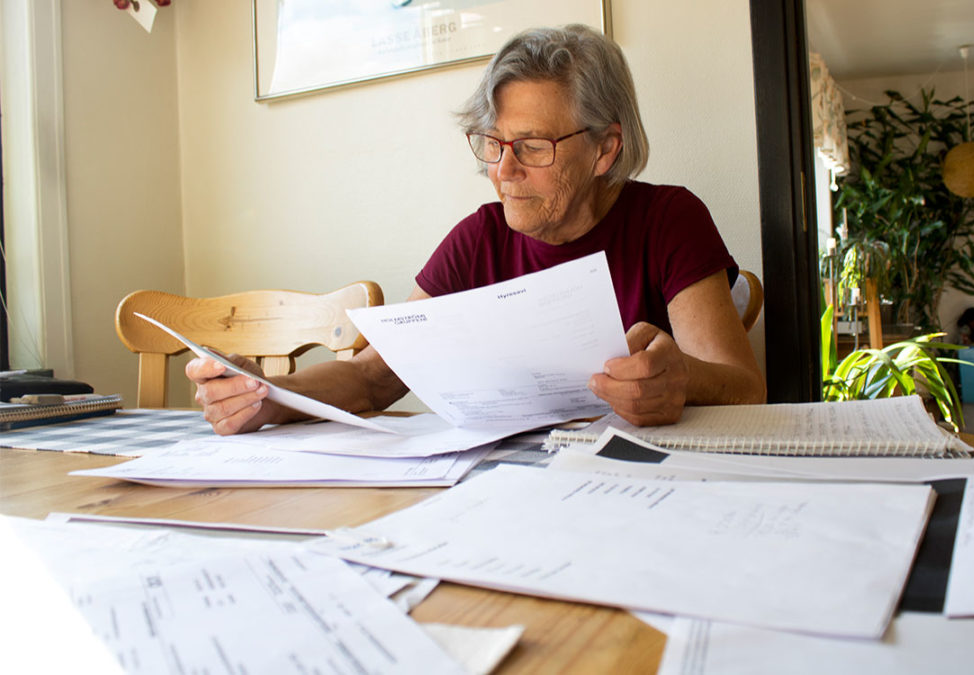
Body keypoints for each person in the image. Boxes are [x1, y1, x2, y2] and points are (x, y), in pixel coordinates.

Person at [187, 24, 765, 435]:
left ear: (605, 149)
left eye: (533, 147)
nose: (502, 170)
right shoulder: (477, 240)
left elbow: (745, 387)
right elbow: (370, 381)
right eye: (494, 143)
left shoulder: (668, 219)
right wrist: (265, 397)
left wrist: (680, 377)